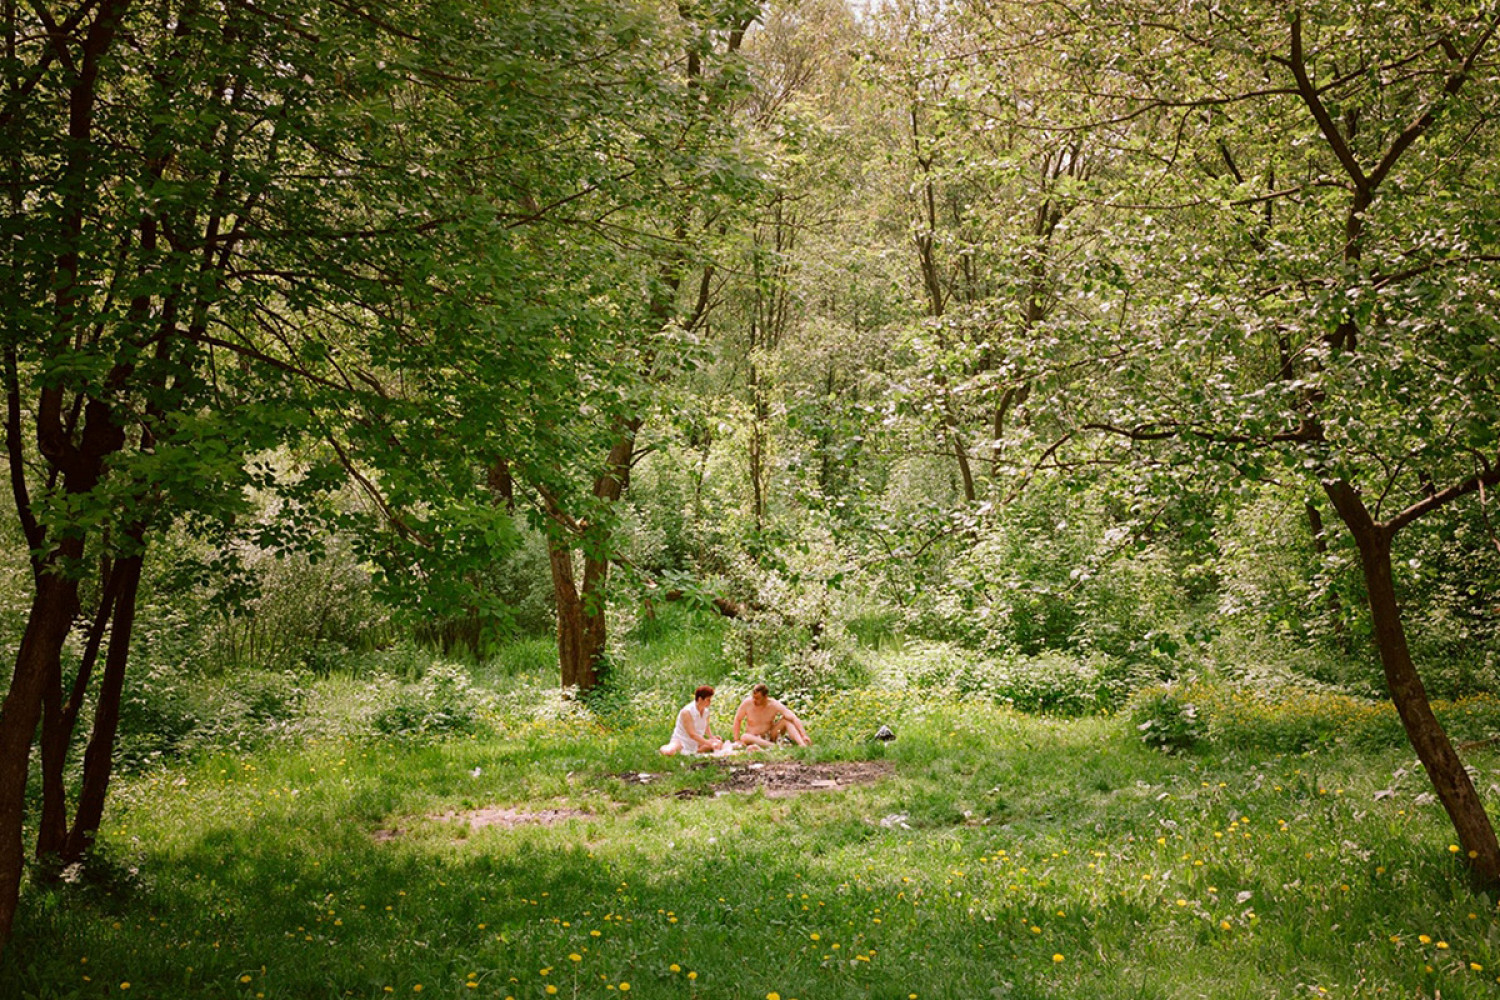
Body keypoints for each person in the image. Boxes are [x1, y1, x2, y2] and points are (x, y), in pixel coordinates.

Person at [732, 683, 811, 749]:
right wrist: (736, 740)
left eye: (757, 698)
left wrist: (804, 735)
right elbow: (738, 719)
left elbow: (793, 717)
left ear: (765, 697)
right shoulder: (747, 703)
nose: (754, 701)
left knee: (786, 720)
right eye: (753, 697)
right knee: (744, 737)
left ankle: (802, 744)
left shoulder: (774, 704)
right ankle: (774, 746)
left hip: (770, 735)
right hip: (752, 737)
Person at [660, 685, 724, 756]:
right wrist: (709, 743)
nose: (710, 702)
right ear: (700, 699)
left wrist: (712, 737)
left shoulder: (706, 712)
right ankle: (665, 748)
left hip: (697, 741)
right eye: (708, 700)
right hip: (682, 741)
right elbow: (692, 734)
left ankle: (696, 751)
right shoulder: (687, 712)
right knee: (669, 752)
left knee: (719, 743)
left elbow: (706, 726)